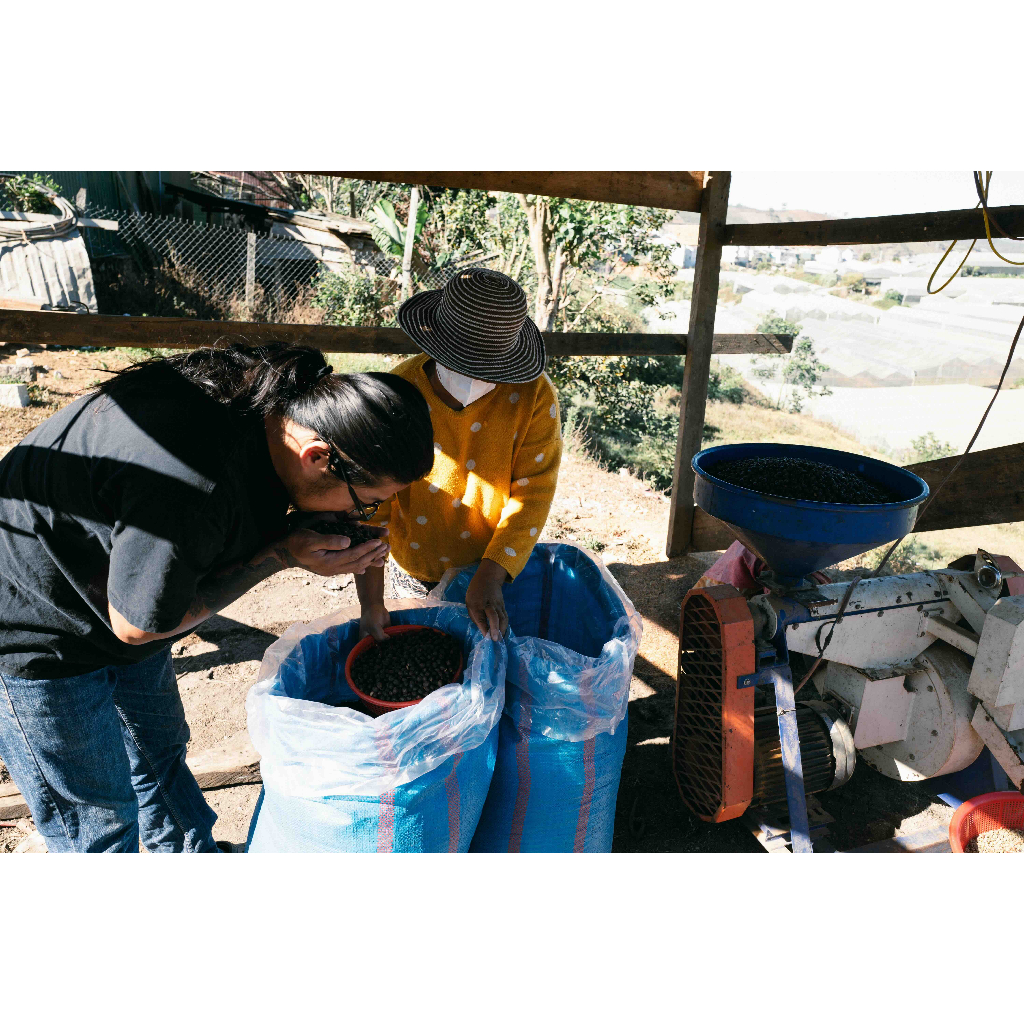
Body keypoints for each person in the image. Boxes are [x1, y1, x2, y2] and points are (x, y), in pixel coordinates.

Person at [0, 343, 434, 852]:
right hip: (38, 624)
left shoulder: (280, 402)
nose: (360, 517)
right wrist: (280, 555)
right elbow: (140, 626)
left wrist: (362, 593)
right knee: (98, 819)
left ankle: (193, 859)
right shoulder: (191, 486)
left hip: (130, 583)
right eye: (368, 503)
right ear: (318, 457)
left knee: (159, 755)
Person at [356, 268, 562, 642]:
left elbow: (534, 490)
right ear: (435, 343)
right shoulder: (399, 391)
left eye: (488, 370)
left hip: (492, 568)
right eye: (459, 363)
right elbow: (373, 505)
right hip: (414, 565)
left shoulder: (533, 395)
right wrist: (371, 602)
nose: (472, 378)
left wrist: (491, 573)